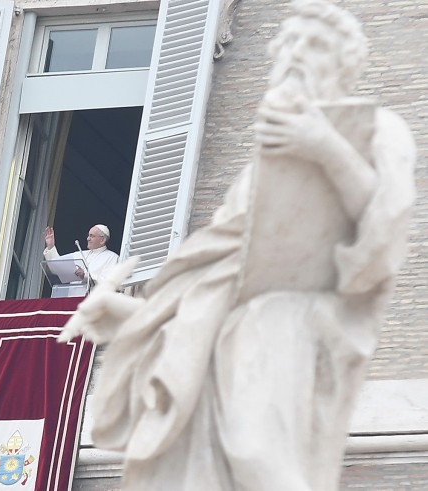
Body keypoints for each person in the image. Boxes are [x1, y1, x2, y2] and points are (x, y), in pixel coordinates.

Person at [58, 1, 415, 490]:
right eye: (288, 43)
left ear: (345, 62)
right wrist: (136, 316)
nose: (295, 54)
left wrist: (325, 147)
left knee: (257, 456)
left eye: (312, 44)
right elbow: (216, 275)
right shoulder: (259, 171)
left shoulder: (377, 132)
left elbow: (383, 228)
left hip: (301, 318)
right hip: (233, 332)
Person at [43, 224, 119, 284]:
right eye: (88, 235)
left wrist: (85, 276)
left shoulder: (112, 258)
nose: (88, 238)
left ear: (102, 240)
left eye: (92, 236)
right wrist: (51, 246)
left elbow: (109, 283)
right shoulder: (79, 254)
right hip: (73, 296)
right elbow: (58, 267)